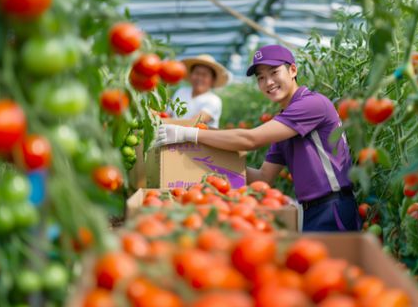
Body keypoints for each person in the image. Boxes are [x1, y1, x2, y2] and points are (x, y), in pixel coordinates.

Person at [155, 44, 361, 231]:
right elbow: (264, 177)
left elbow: (250, 140)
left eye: (274, 72)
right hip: (312, 210)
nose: (268, 82)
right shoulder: (284, 122)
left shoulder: (312, 104)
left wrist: (190, 134)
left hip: (333, 207)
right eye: (261, 77)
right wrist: (209, 166)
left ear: (293, 70)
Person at [168, 54, 229, 128]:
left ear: (212, 80)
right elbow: (169, 114)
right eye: (197, 73)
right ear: (191, 75)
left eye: (204, 75)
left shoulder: (213, 100)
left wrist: (163, 121)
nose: (199, 78)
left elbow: (195, 122)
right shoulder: (181, 92)